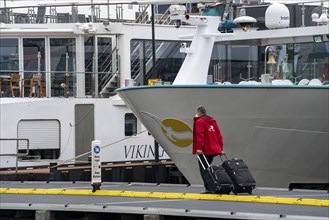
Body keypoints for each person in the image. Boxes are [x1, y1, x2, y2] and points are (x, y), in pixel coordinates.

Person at [193, 105, 224, 193]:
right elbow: (219, 135)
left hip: (205, 150)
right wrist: (221, 148)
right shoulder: (213, 121)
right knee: (208, 168)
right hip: (214, 149)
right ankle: (213, 185)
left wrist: (199, 148)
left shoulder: (200, 121)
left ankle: (209, 188)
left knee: (204, 169)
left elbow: (200, 135)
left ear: (199, 112)